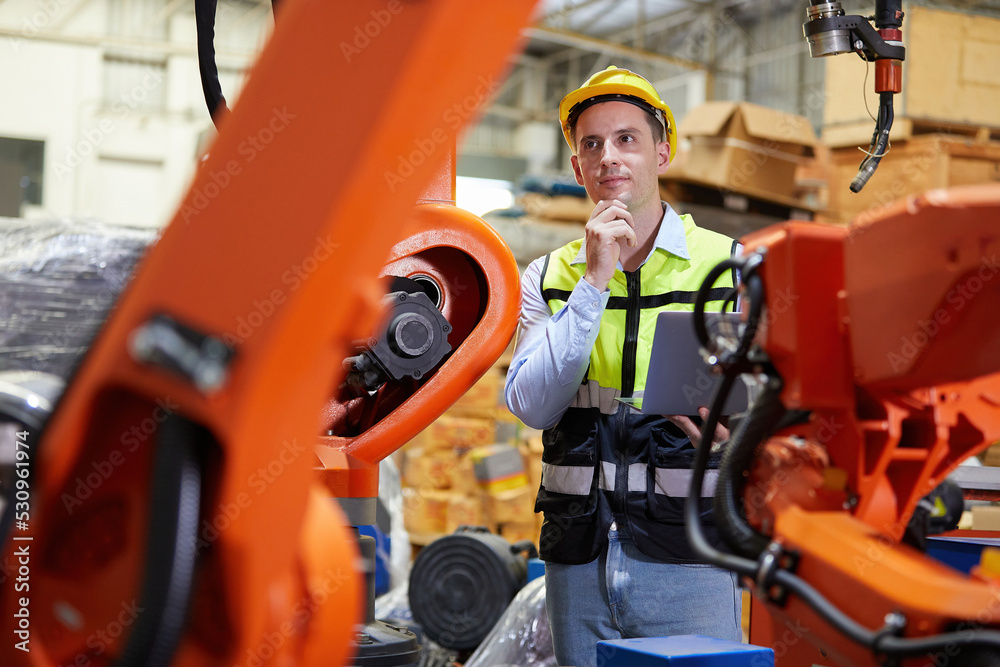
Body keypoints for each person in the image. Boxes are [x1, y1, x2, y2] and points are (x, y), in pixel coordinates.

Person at [504, 66, 743, 667]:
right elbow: (533, 404)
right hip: (578, 558)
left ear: (662, 152)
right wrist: (593, 281)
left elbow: (779, 410)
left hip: (689, 558)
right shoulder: (548, 276)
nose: (608, 155)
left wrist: (737, 438)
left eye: (626, 138)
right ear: (577, 167)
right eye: (592, 144)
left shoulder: (728, 267)